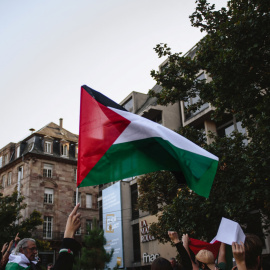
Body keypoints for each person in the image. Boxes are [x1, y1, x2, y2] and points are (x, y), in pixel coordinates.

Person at [5, 203, 81, 270]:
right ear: (21, 250)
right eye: (32, 249)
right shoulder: (15, 267)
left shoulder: (28, 264)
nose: (35, 252)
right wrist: (68, 236)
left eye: (35, 249)